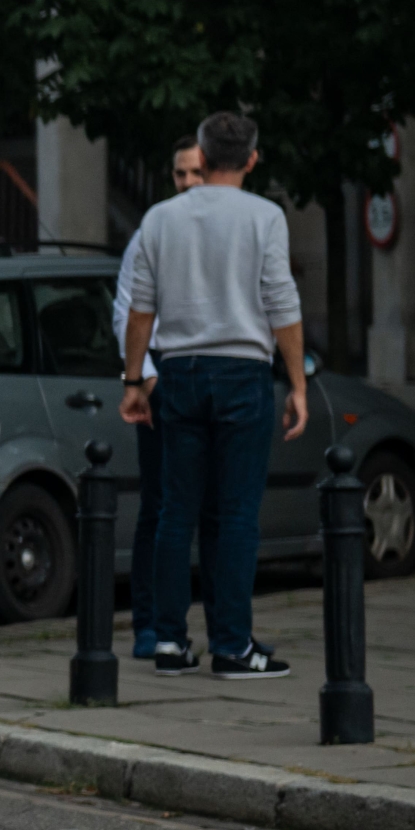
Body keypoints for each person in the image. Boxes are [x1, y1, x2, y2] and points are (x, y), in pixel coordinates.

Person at [119, 111, 306, 679]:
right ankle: (231, 645)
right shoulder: (265, 217)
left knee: (176, 512)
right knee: (235, 516)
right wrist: (296, 383)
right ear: (251, 159)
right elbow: (282, 303)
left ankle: (171, 643)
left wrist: (134, 381)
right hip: (243, 373)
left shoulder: (160, 219)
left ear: (201, 154)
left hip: (178, 373)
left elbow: (140, 308)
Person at [112, 137, 208, 658]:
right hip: (165, 379)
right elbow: (127, 306)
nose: (188, 184)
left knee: (215, 509)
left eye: (196, 172)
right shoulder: (154, 228)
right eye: (179, 174)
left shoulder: (233, 225)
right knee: (161, 506)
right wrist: (145, 379)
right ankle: (151, 623)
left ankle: (222, 626)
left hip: (213, 378)